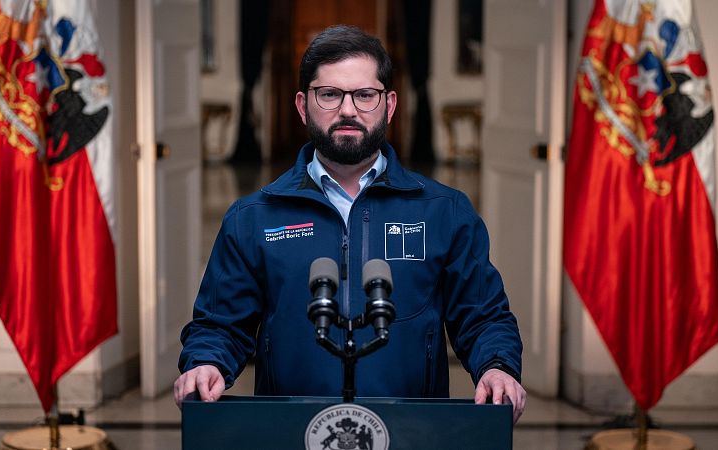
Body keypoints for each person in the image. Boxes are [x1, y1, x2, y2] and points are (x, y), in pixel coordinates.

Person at [174, 25, 526, 423]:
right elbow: (219, 325)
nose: (347, 110)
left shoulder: (445, 212)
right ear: (303, 105)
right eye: (329, 94)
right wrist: (206, 362)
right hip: (292, 430)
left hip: (411, 431)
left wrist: (497, 366)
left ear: (389, 105)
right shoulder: (252, 218)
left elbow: (482, 317)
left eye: (364, 95)